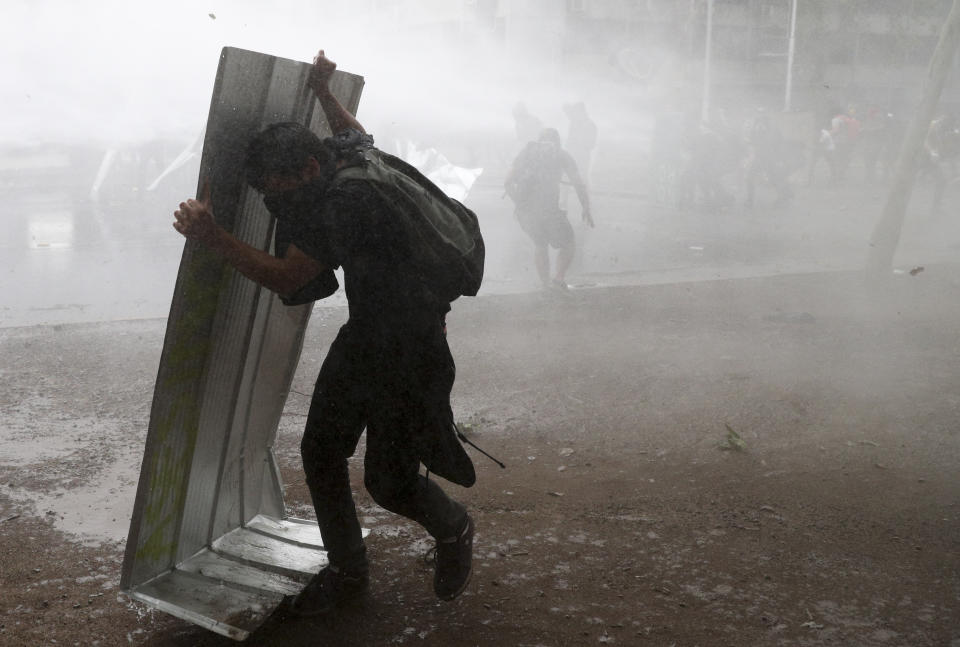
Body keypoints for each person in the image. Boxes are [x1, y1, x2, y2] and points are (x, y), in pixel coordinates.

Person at [172, 50, 476, 616]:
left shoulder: (347, 202)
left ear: (309, 170)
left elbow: (289, 274)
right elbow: (355, 132)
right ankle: (347, 569)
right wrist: (323, 92)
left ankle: (455, 529)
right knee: (321, 451)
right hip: (367, 337)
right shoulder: (342, 156)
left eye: (279, 189)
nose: (276, 201)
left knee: (388, 482)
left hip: (410, 350)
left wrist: (211, 237)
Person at [504, 127, 593, 290]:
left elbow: (507, 181)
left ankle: (545, 284)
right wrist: (586, 207)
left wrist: (520, 203)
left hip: (526, 212)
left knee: (540, 244)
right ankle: (558, 279)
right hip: (549, 210)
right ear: (558, 142)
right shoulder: (561, 155)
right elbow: (578, 184)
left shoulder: (527, 153)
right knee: (568, 243)